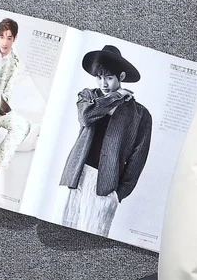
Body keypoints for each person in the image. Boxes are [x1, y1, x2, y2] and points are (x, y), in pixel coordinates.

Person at [56, 44, 152, 237]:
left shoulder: (140, 114)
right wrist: (116, 97)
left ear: (121, 77)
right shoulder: (87, 97)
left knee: (92, 237)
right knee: (61, 232)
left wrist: (119, 194)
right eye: (99, 77)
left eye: (109, 78)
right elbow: (86, 117)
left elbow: (138, 159)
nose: (103, 83)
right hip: (75, 177)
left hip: (106, 186)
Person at [0, 17, 32, 173]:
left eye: (9, 38)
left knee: (23, 126)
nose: (4, 42)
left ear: (14, 39)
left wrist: (0, 104)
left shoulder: (16, 63)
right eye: (1, 37)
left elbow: (8, 93)